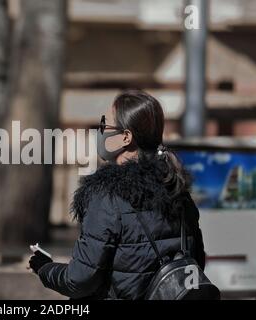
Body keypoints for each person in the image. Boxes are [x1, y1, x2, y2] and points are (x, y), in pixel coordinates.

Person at [28, 89, 206, 300]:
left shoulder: (107, 197)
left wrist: (45, 268)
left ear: (125, 137)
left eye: (105, 125)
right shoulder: (177, 190)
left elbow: (79, 280)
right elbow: (194, 260)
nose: (100, 131)